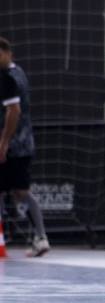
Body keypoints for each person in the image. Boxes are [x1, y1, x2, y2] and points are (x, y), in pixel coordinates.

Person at [0, 37, 49, 258]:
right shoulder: (18, 72)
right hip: (24, 142)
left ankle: (37, 237)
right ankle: (40, 237)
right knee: (20, 192)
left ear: (7, 53)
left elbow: (14, 111)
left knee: (18, 191)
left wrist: (4, 142)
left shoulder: (8, 78)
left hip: (13, 145)